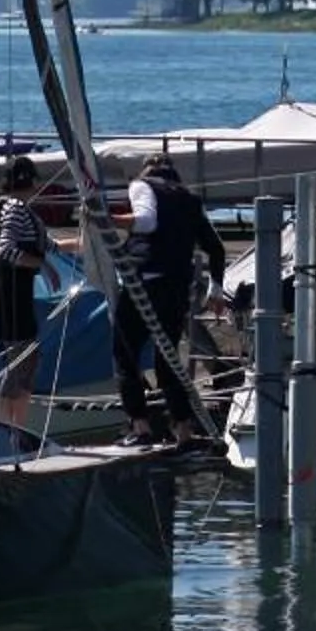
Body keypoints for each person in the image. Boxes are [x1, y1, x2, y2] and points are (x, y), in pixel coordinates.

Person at [108, 153, 225, 446]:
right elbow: (216, 249)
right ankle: (183, 430)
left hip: (144, 282)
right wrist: (216, 289)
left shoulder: (141, 185)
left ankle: (140, 427)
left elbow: (146, 223)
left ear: (147, 170)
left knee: (125, 355)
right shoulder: (190, 199)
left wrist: (108, 219)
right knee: (169, 360)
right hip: (176, 287)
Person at [0, 157, 57, 435]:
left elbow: (48, 245)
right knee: (20, 361)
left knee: (29, 358)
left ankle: (17, 428)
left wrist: (83, 242)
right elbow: (7, 249)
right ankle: (6, 430)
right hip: (12, 296)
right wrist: (42, 265)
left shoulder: (13, 209)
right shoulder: (15, 208)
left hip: (15, 295)